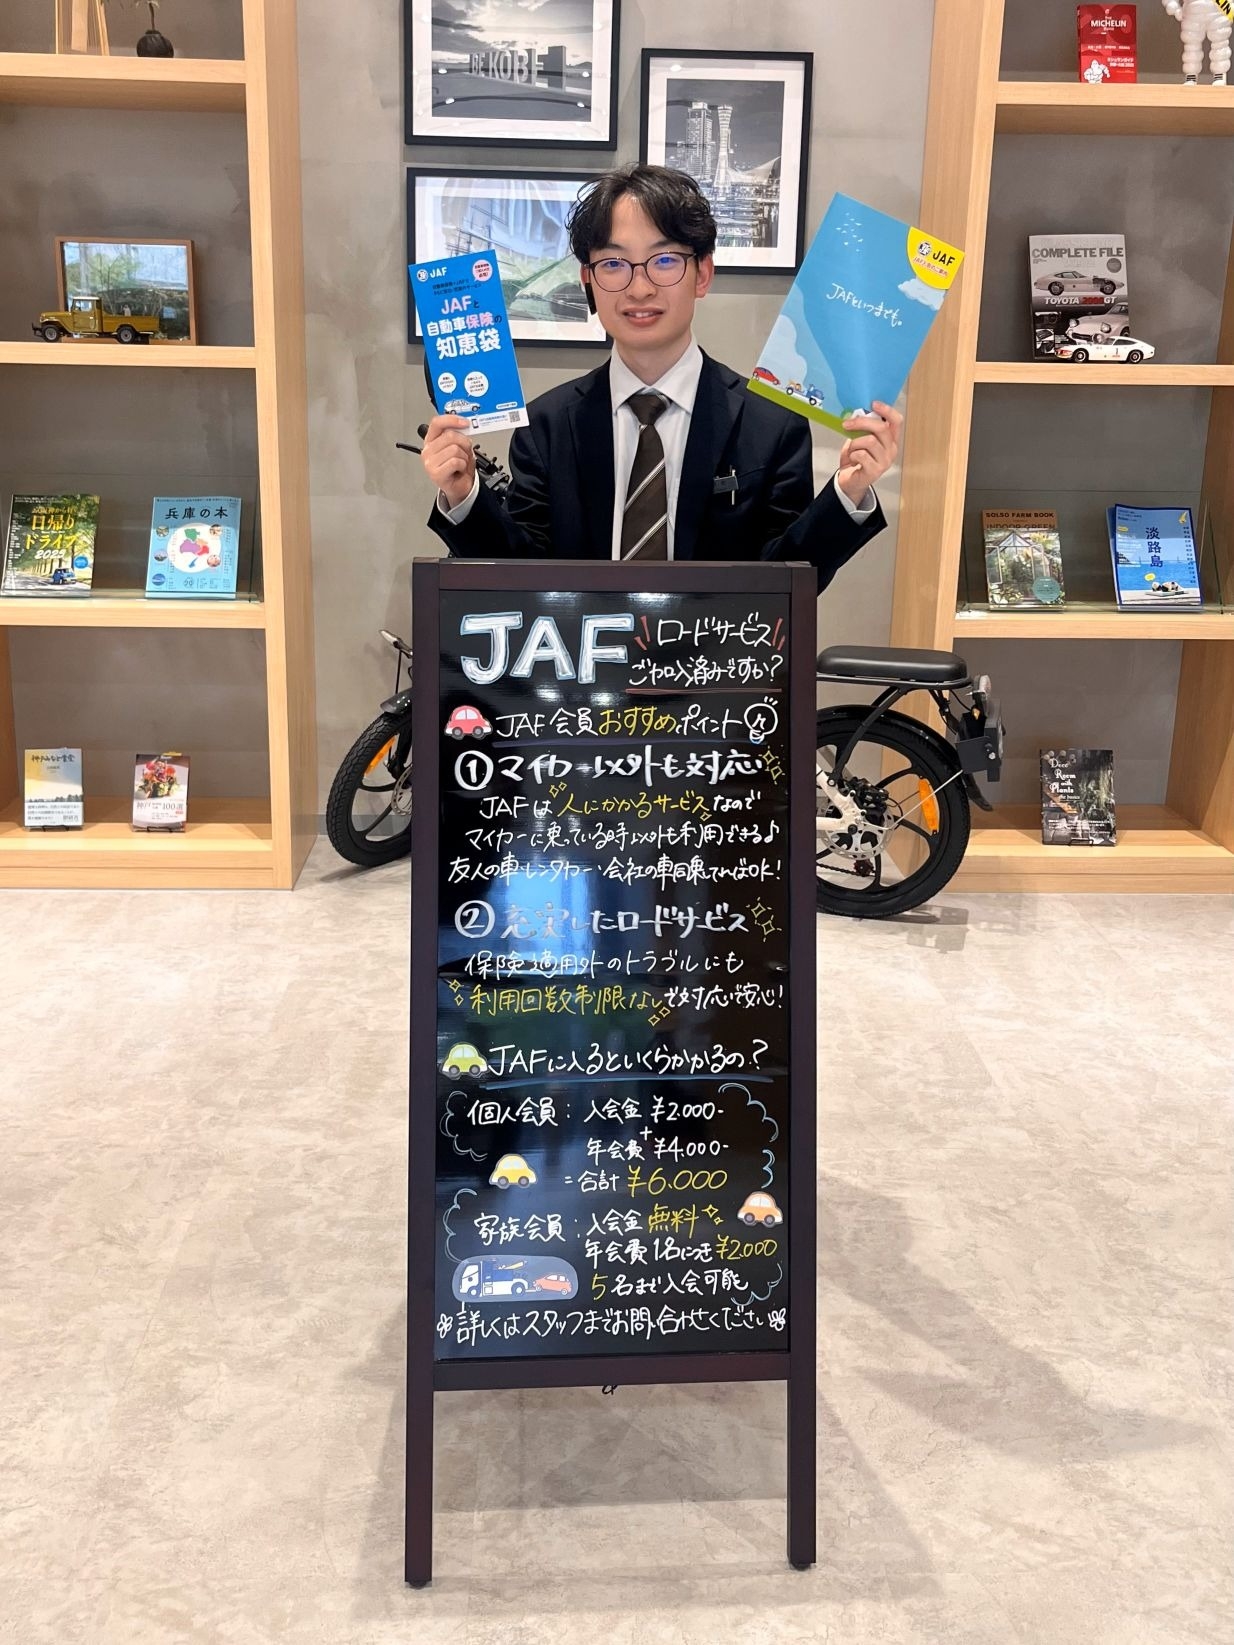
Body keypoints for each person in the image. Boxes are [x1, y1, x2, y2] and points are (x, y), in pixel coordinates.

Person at [422, 164, 902, 588]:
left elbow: (788, 584)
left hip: (717, 659)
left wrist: (848, 491)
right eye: (614, 264)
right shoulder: (546, 427)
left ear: (703, 274)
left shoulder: (771, 424)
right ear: (588, 282)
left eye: (665, 260)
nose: (640, 287)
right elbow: (518, 577)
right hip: (585, 662)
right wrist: (463, 494)